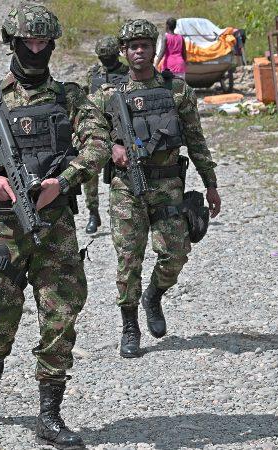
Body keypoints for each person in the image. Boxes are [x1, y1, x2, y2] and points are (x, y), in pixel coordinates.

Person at [0, 4, 111, 448]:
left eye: (43, 44)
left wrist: (64, 181)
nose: (36, 51)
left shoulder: (70, 98)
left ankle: (50, 412)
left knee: (61, 314)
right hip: (3, 224)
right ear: (13, 45)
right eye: (28, 43)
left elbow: (98, 146)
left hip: (54, 224)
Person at [90, 19, 221, 358]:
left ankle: (154, 295)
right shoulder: (107, 96)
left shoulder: (176, 90)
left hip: (167, 184)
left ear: (154, 49)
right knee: (128, 259)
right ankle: (129, 325)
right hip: (126, 187)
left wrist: (211, 185)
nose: (139, 51)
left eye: (145, 45)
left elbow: (196, 140)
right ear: (124, 51)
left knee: (175, 253)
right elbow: (87, 138)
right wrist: (112, 148)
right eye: (132, 46)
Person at [81, 36, 129, 234]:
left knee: (121, 174)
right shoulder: (93, 74)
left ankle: (120, 211)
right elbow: (83, 99)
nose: (106, 61)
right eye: (103, 57)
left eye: (109, 57)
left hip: (120, 130)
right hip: (97, 130)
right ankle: (93, 212)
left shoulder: (127, 73)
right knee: (89, 173)